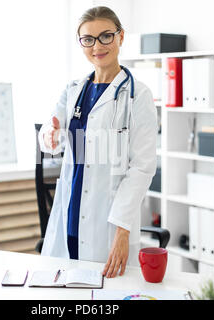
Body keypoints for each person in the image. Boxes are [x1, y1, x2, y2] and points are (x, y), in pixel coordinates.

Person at [38, 6, 157, 278]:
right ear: (81, 43)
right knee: (63, 289)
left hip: (108, 222)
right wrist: (49, 135)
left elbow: (141, 169)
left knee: (106, 293)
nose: (97, 46)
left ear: (120, 37)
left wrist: (122, 231)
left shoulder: (138, 96)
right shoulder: (73, 90)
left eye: (105, 36)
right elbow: (51, 135)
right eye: (88, 39)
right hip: (70, 209)